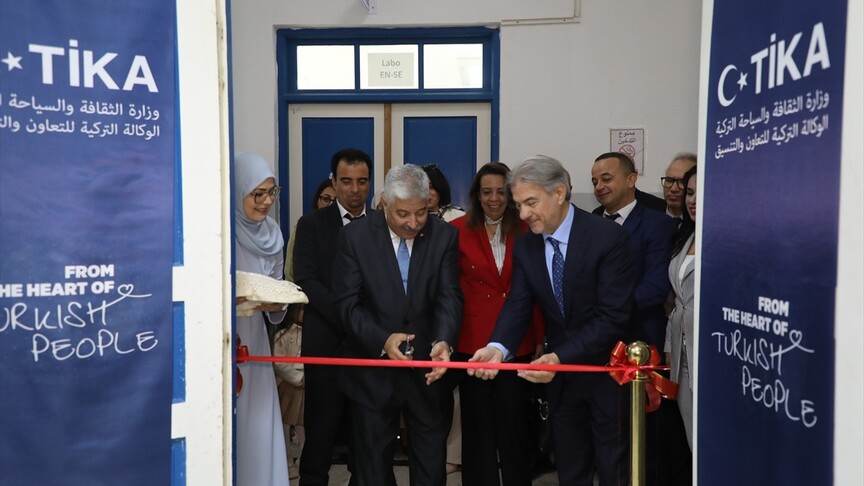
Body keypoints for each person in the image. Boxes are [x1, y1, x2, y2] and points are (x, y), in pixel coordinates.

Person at [468, 155, 638, 486]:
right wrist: (497, 347)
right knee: (570, 467)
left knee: (613, 468)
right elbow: (519, 303)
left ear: (559, 193)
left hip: (608, 374)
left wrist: (559, 357)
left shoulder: (606, 237)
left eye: (531, 203)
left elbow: (612, 316)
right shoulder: (527, 245)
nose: (523, 214)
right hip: (561, 382)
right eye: (519, 205)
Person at [333, 164, 462, 486]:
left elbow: (449, 296)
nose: (413, 223)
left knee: (431, 469)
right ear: (384, 203)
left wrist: (443, 340)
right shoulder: (355, 237)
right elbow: (347, 304)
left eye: (421, 212)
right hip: (373, 373)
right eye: (403, 213)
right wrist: (382, 339)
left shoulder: (444, 235)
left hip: (428, 373)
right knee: (372, 471)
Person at [591, 152, 684, 485]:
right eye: (594, 181)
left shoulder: (658, 224)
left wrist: (607, 314)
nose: (599, 186)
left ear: (631, 180)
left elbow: (656, 286)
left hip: (642, 341)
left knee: (646, 430)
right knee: (608, 428)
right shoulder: (590, 222)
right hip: (598, 342)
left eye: (607, 178)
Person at [450, 162, 545, 486]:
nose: (494, 199)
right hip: (472, 341)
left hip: (518, 339)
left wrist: (540, 337)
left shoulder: (527, 229)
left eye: (501, 192)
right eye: (486, 192)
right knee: (477, 426)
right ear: (476, 195)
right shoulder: (457, 230)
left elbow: (536, 289)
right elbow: (451, 288)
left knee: (514, 423)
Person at [295, 148, 372, 486]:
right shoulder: (311, 224)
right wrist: (350, 317)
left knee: (366, 437)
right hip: (325, 343)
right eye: (346, 181)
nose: (354, 190)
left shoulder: (382, 224)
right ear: (333, 181)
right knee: (320, 434)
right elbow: (307, 280)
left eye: (362, 181)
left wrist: (366, 325)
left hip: (368, 347)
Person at [233, 152, 290, 486]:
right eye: (258, 194)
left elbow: (277, 291)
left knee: (258, 417)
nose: (267, 201)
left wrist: (276, 304)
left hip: (255, 337)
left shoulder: (273, 234)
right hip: (226, 334)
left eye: (272, 192)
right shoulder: (220, 232)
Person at [277, 176, 336, 480]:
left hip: (363, 342)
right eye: (326, 198)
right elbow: (300, 276)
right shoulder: (309, 226)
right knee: (318, 425)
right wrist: (345, 313)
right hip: (320, 331)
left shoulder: (373, 224)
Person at [665, 165, 698, 448]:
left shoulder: (730, 238)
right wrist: (669, 345)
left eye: (700, 193)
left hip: (712, 353)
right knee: (692, 439)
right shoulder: (685, 236)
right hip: (681, 355)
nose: (692, 200)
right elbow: (678, 302)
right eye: (690, 193)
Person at [284, 178, 335, 282]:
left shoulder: (349, 230)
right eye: (326, 199)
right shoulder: (303, 227)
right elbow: (290, 273)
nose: (330, 205)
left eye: (336, 201)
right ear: (317, 200)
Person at [660, 153, 697, 221]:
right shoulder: (649, 218)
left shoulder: (703, 223)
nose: (673, 189)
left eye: (682, 182)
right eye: (669, 180)